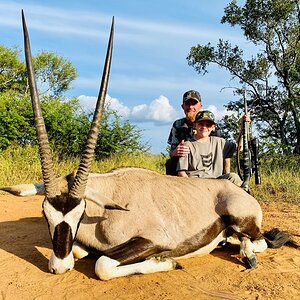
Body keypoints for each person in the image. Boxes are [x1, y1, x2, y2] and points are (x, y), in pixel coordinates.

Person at [177, 110, 248, 186]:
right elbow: (181, 172)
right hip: (196, 183)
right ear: (195, 125)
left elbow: (239, 147)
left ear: (213, 127)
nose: (204, 127)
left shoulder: (219, 142)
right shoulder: (187, 145)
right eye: (201, 124)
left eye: (208, 125)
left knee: (233, 177)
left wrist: (243, 128)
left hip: (216, 182)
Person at [166, 90, 228, 175]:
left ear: (200, 106)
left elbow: (225, 151)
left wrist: (226, 173)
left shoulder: (210, 125)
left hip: (208, 165)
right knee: (171, 163)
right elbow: (172, 151)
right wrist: (176, 152)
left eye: (194, 104)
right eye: (187, 104)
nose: (191, 107)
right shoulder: (178, 125)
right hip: (188, 164)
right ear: (182, 106)